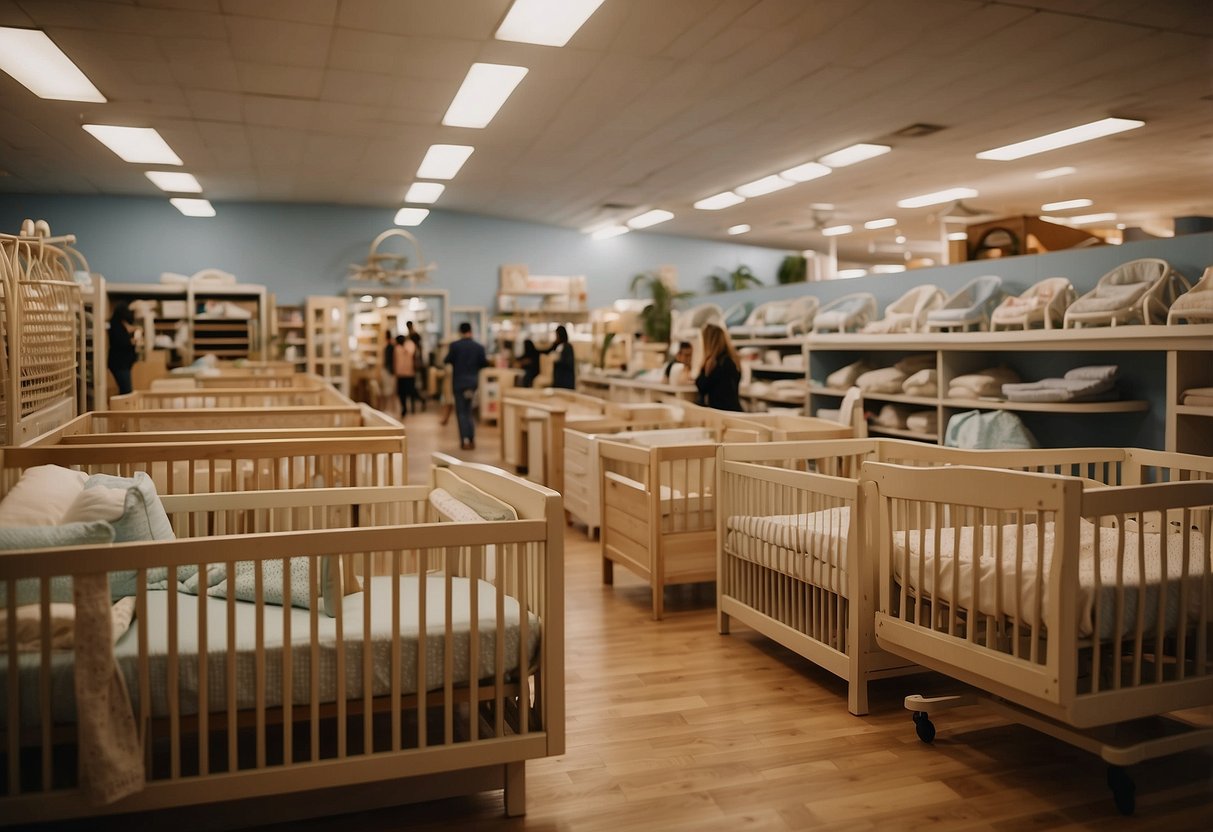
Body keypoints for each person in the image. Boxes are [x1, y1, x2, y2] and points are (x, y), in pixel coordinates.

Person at [444, 322, 488, 450]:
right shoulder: (479, 347)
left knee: (461, 412)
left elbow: (446, 360)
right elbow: (484, 363)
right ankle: (472, 439)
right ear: (471, 330)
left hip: (458, 383)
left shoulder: (455, 346)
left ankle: (464, 440)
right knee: (469, 411)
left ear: (460, 331)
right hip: (472, 383)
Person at [695, 323, 742, 411]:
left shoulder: (713, 363)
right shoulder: (733, 360)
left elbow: (702, 386)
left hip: (720, 412)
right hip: (734, 410)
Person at [107, 302, 137, 395]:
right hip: (120, 364)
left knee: (125, 389)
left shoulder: (117, 324)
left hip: (121, 363)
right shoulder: (116, 326)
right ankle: (122, 408)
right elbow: (122, 343)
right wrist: (132, 342)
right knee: (126, 391)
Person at [393, 333, 418, 416]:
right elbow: (395, 361)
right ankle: (404, 408)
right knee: (401, 393)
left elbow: (412, 354)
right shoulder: (397, 348)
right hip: (400, 374)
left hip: (410, 373)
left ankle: (412, 408)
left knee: (411, 391)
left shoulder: (410, 345)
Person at [548, 325, 575, 390]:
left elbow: (569, 362)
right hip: (558, 377)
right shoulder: (557, 346)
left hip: (565, 378)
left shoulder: (567, 347)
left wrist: (557, 360)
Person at [409, 331, 427, 411]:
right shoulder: (418, 347)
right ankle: (419, 402)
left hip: (416, 370)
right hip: (417, 370)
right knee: (415, 388)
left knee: (415, 388)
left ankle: (421, 401)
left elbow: (417, 360)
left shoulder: (415, 348)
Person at [380, 329, 395, 411]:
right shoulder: (389, 345)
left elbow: (388, 359)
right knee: (388, 389)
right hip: (388, 369)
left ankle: (388, 408)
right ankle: (389, 408)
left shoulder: (390, 346)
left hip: (388, 370)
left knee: (388, 390)